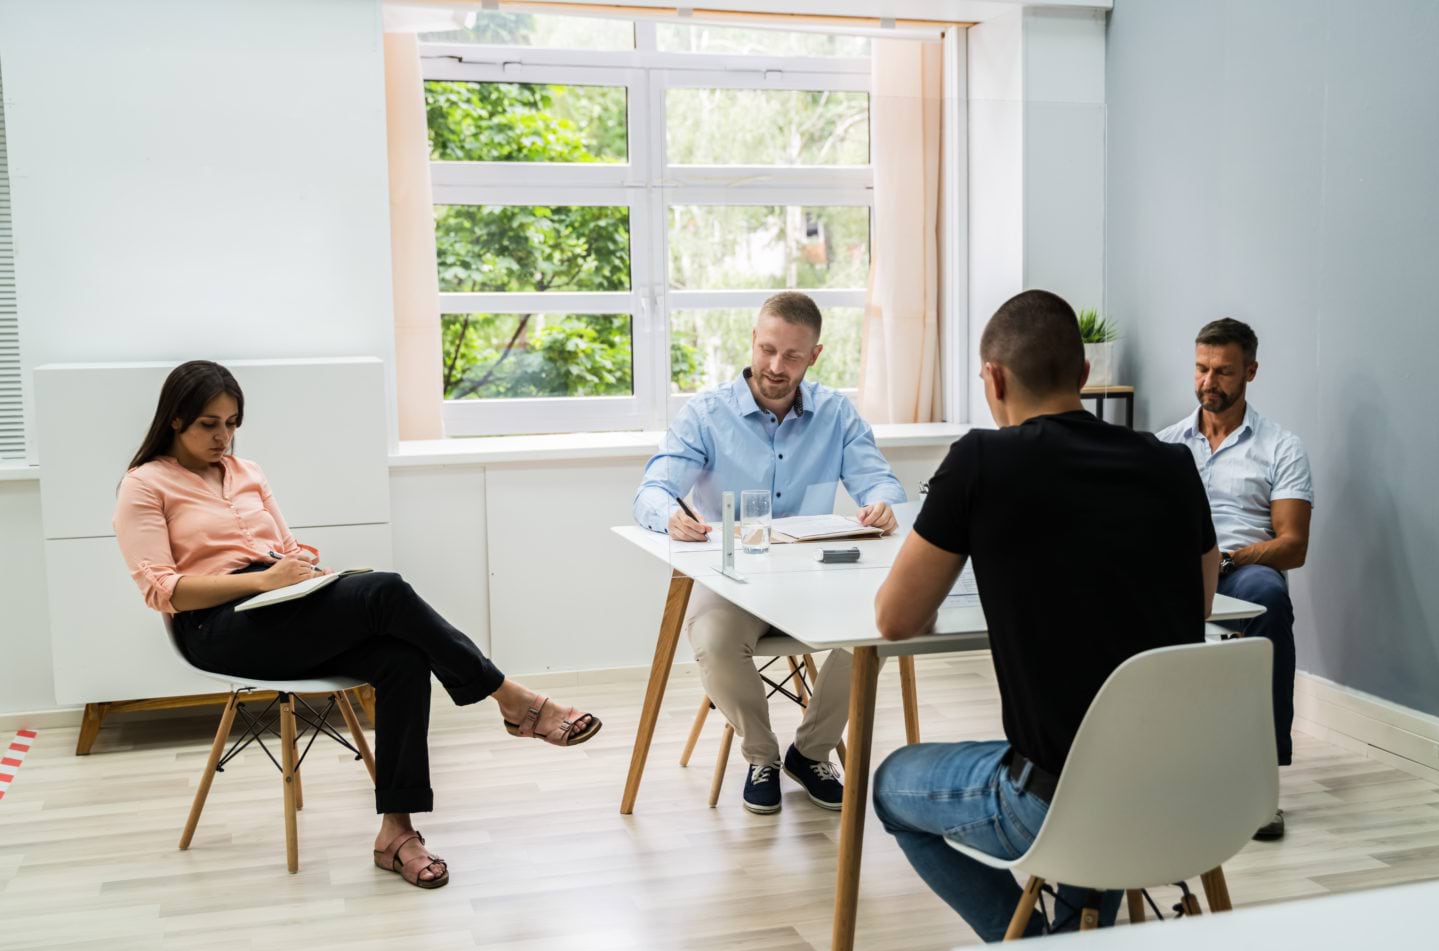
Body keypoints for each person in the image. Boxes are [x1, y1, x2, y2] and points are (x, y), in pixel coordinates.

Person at [112, 360, 602, 889]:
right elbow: (162, 590)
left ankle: (397, 833)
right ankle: (513, 700)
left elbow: (287, 547)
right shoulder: (145, 484)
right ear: (175, 421)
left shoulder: (247, 471)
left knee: (403, 658)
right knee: (386, 589)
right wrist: (261, 583)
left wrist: (307, 578)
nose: (223, 437)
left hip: (280, 605)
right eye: (210, 424)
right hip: (216, 627)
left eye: (232, 423)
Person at [871, 290, 1219, 939]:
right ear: (1084, 376)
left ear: (994, 379)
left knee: (891, 786)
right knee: (1097, 773)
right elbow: (1199, 602)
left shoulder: (981, 461)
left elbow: (896, 619)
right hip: (1181, 790)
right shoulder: (1174, 465)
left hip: (1054, 800)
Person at [633, 291, 906, 815]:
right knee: (713, 640)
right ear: (753, 342)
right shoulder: (707, 414)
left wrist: (882, 505)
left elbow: (880, 483)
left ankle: (811, 751)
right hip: (735, 582)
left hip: (814, 583)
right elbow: (651, 489)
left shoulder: (836, 414)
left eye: (793, 356)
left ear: (816, 356)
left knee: (880, 628)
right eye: (767, 350)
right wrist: (669, 515)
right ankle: (762, 755)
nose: (776, 367)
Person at [1156, 317, 1312, 840]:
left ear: (1250, 371)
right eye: (1201, 368)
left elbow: (1293, 546)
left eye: (1223, 371)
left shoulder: (1281, 447)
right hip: (1172, 571)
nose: (1208, 382)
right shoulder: (1165, 447)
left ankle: (1260, 784)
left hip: (1239, 573)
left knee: (1269, 595)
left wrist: (1225, 560)